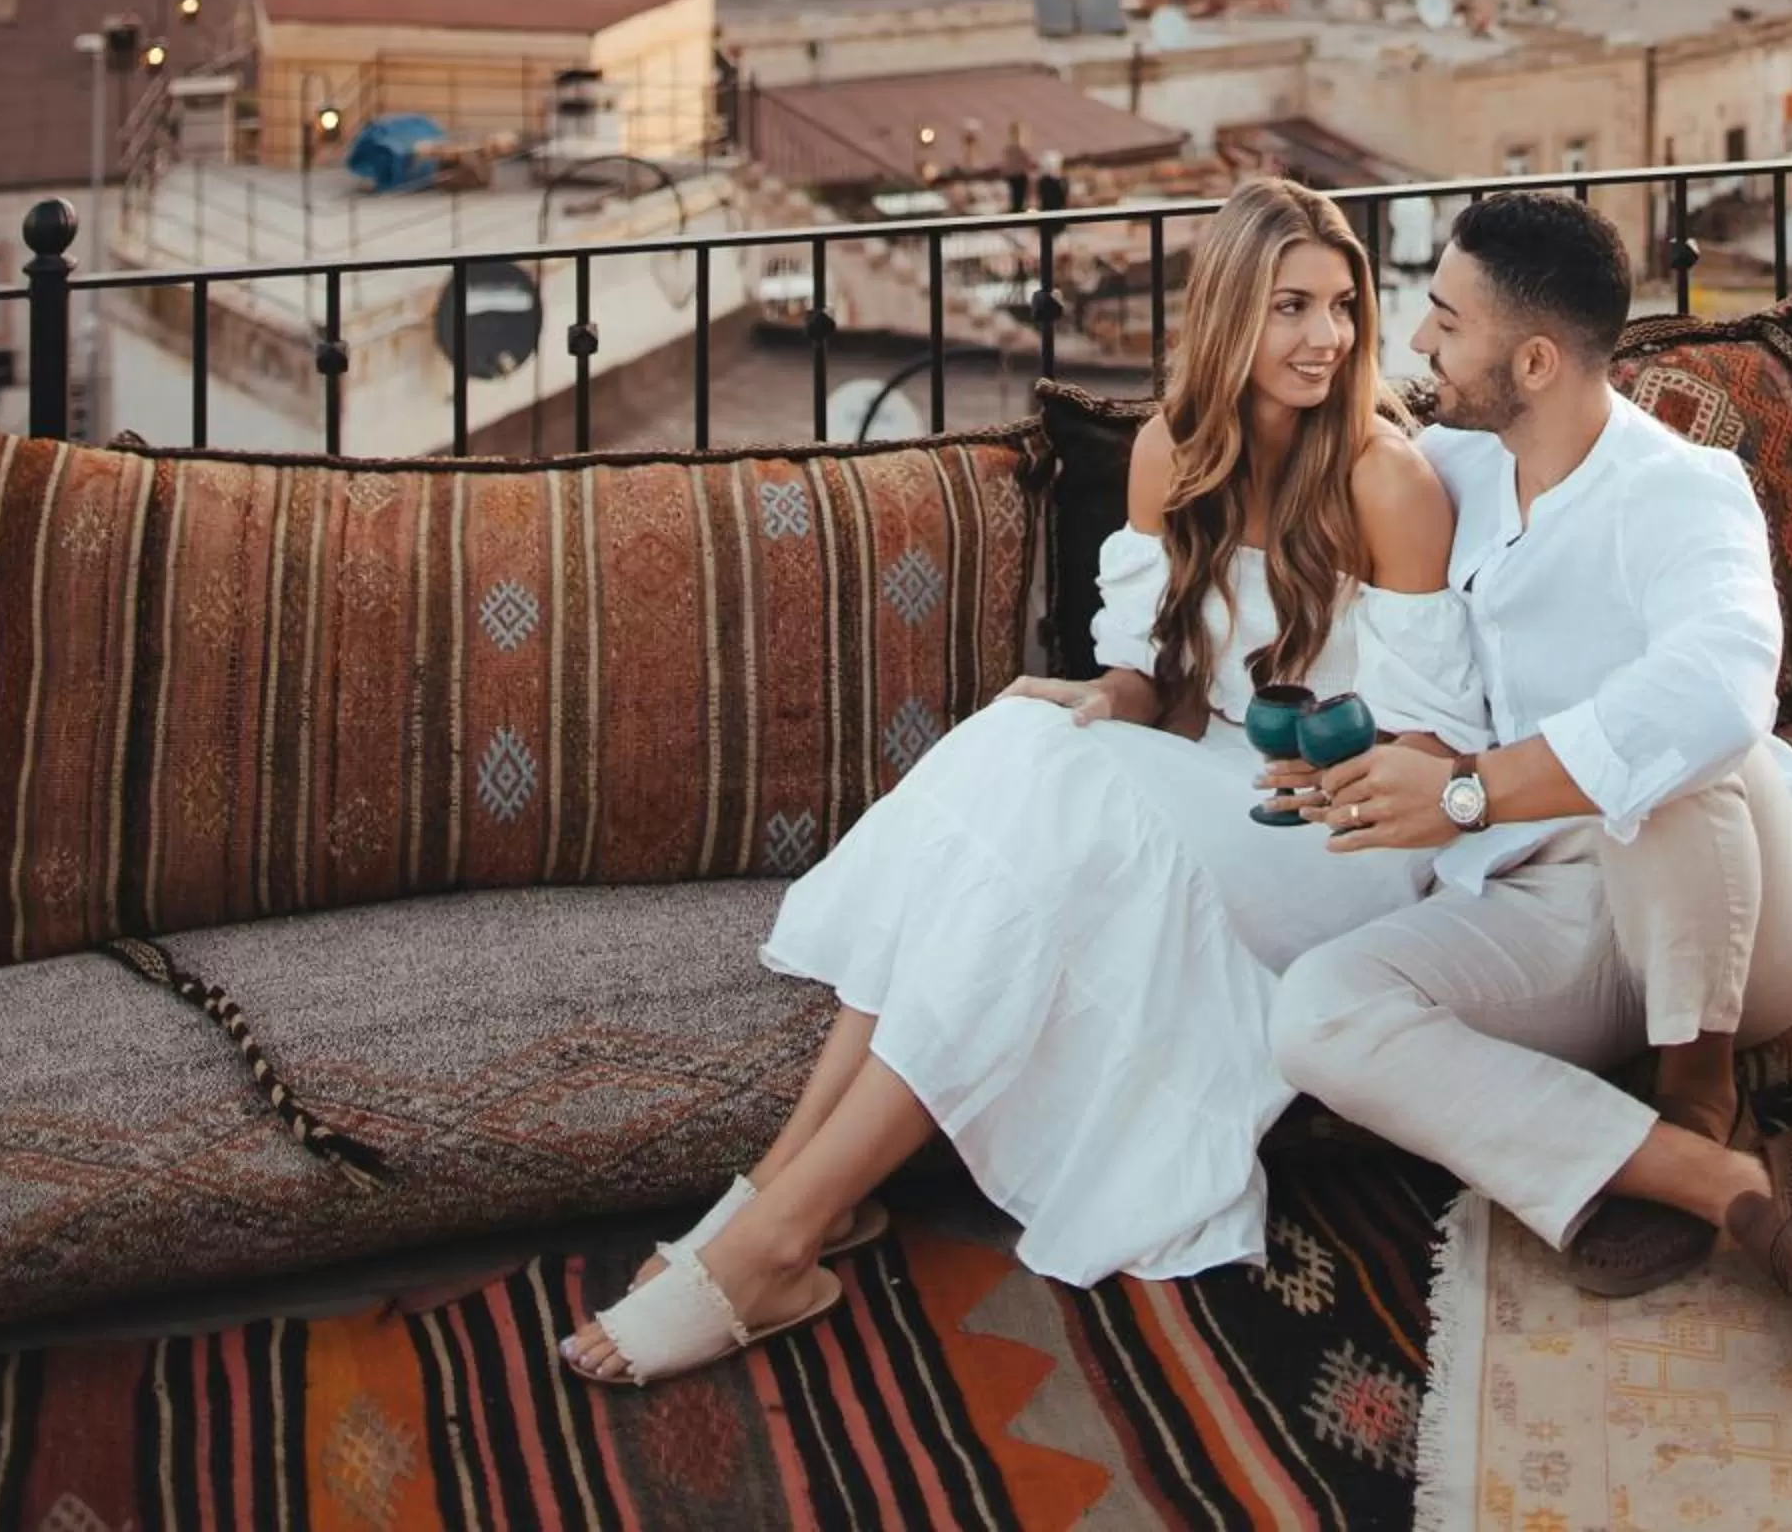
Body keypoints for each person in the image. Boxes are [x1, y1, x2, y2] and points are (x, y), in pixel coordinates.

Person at [564, 177, 1487, 1386]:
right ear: (1224, 317)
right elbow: (1149, 687)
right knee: (1020, 747)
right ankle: (788, 1201)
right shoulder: (1173, 452)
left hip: (1344, 836)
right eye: (1290, 308)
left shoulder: (1386, 478)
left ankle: (772, 1231)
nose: (1327, 337)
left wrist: (1303, 769)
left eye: (1344, 307)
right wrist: (1095, 703)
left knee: (1071, 803)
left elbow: (1425, 750)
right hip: (1202, 790)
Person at [1267, 189, 1792, 1365]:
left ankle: (1702, 1085)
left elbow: (1715, 694)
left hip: (1754, 915)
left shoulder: (1682, 491)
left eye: (1445, 321)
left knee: (1671, 753)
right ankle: (1712, 1179)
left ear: (1534, 359)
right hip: (1556, 899)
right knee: (1318, 1015)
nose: (1419, 344)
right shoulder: (1450, 466)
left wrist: (1468, 792)